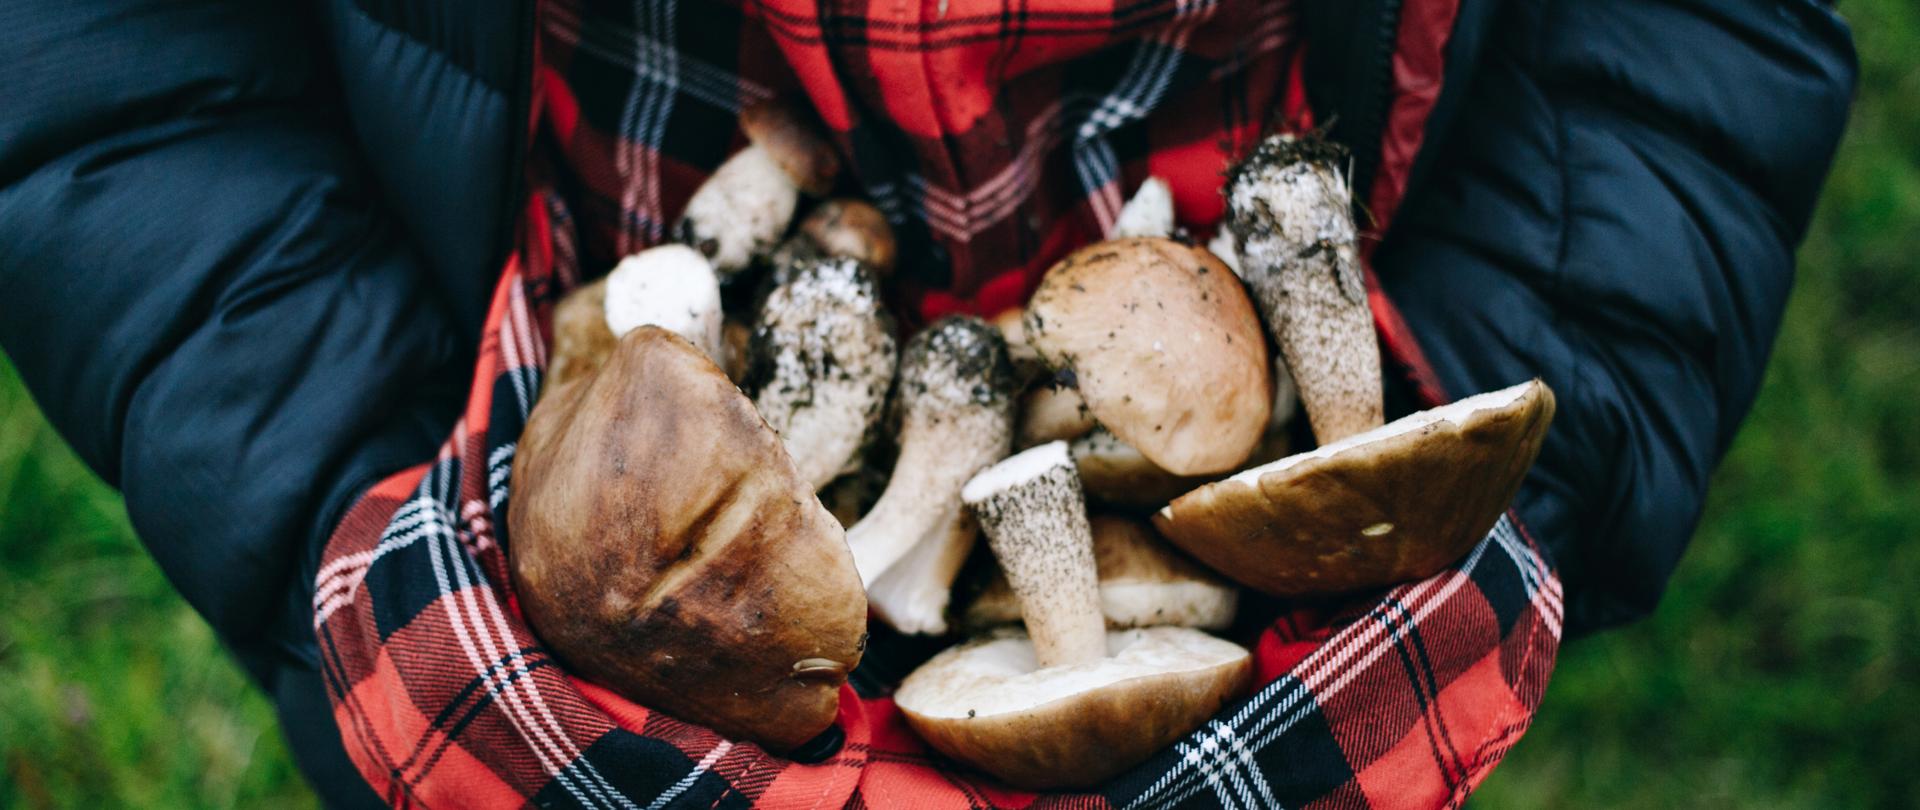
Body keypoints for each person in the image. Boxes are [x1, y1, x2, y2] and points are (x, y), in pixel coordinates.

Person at [0, 0, 1854, 806]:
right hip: (556, 437)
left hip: (1268, 423)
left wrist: (1525, 400)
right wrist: (341, 471)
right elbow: (107, 73)